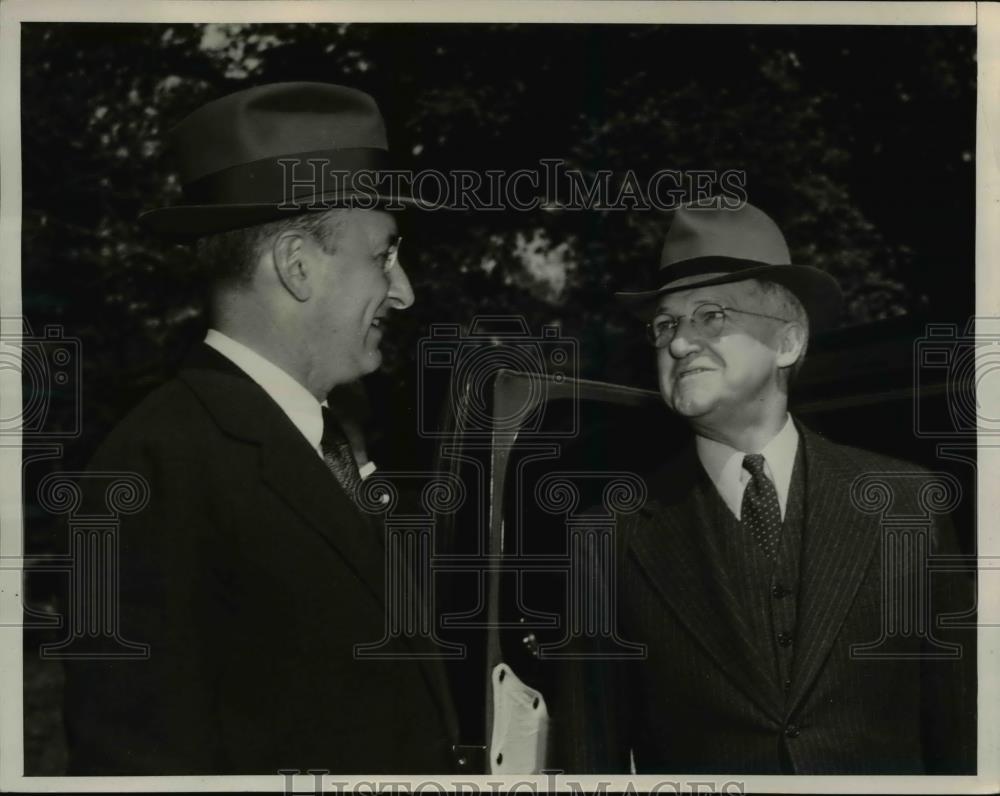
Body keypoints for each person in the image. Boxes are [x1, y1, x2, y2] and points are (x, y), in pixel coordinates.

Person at [61, 82, 459, 775]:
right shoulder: (154, 470)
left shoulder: (328, 443)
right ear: (297, 265)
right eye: (383, 255)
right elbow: (137, 765)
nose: (405, 291)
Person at [554, 201, 975, 774]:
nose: (678, 344)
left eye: (710, 316)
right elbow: (590, 762)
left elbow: (964, 740)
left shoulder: (909, 506)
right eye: (666, 324)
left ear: (788, 343)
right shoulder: (606, 534)